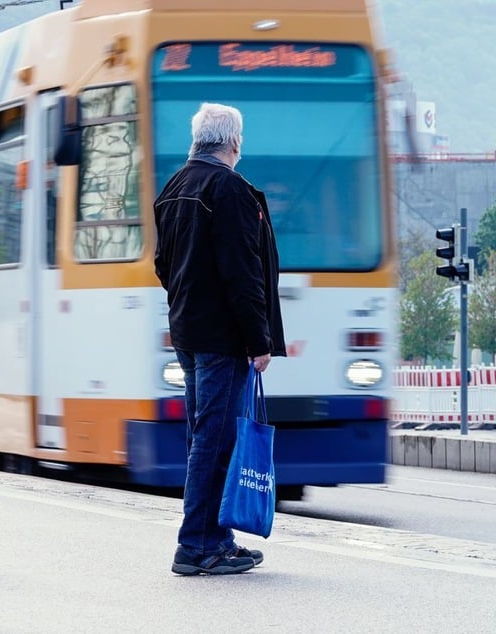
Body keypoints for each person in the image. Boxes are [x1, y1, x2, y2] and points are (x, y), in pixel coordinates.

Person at [153, 103, 286, 576]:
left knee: (206, 436)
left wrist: (190, 307)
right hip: (222, 338)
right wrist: (259, 338)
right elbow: (242, 272)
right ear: (233, 143)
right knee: (214, 440)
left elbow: (162, 267)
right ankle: (196, 545)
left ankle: (216, 539)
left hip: (189, 333)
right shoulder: (228, 188)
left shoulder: (174, 188)